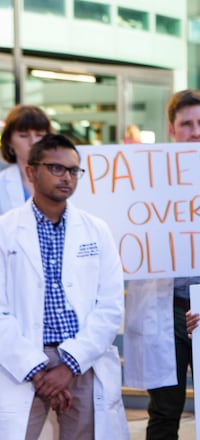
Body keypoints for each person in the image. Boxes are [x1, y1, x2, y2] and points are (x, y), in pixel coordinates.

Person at [0, 133, 127, 439]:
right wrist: (37, 371)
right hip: (23, 363)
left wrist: (68, 366)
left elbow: (110, 307)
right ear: (31, 172)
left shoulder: (96, 230)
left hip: (83, 360)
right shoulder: (5, 230)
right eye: (56, 168)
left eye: (73, 170)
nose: (67, 177)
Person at [122, 89, 200, 439]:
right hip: (167, 311)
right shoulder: (145, 180)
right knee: (163, 412)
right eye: (186, 124)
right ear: (171, 130)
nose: (195, 131)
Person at [0, 105, 51, 215]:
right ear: (9, 141)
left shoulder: (66, 177)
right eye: (23, 136)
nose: (33, 142)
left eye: (39, 135)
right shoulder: (2, 183)